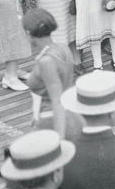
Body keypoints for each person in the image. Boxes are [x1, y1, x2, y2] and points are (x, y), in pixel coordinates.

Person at [23, 8, 78, 137]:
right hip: (69, 115)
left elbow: (57, 101)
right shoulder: (63, 48)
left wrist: (60, 139)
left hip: (51, 122)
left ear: (28, 33)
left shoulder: (46, 61)